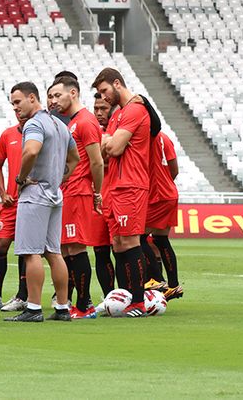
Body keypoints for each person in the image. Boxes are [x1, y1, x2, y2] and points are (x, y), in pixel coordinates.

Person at [4, 82, 79, 323]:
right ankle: (63, 307)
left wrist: (21, 178)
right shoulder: (59, 124)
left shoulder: (34, 123)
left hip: (35, 193)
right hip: (55, 193)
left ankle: (34, 307)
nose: (15, 108)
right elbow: (75, 158)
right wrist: (59, 177)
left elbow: (31, 151)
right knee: (54, 252)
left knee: (30, 252)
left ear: (32, 98)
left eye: (18, 102)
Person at [94, 68, 153, 317]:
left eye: (105, 91)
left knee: (130, 241)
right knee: (117, 244)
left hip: (131, 185)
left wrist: (110, 142)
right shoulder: (119, 115)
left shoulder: (135, 110)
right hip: (114, 186)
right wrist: (109, 143)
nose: (103, 97)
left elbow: (113, 148)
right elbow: (103, 148)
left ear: (117, 84)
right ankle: (125, 297)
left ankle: (139, 301)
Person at [48, 76, 105, 319]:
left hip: (79, 190)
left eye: (57, 95)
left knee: (76, 247)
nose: (53, 100)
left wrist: (97, 192)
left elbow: (97, 160)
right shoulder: (71, 122)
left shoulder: (85, 121)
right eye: (50, 96)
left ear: (73, 93)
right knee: (67, 249)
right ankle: (74, 302)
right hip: (68, 190)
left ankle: (84, 305)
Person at [0, 109, 29, 312]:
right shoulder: (8, 134)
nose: (19, 112)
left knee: (26, 247)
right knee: (1, 244)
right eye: (15, 108)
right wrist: (3, 192)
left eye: (20, 105)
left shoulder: (40, 133)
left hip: (32, 201)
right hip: (11, 203)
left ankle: (23, 295)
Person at [142, 129, 183, 300]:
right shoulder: (165, 138)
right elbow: (174, 170)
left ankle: (156, 279)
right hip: (169, 193)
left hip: (157, 196)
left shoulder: (144, 139)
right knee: (160, 238)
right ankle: (173, 286)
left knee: (136, 237)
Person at [92, 94, 116, 295]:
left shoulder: (123, 131)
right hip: (98, 199)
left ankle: (131, 294)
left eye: (104, 109)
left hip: (118, 197)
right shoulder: (93, 132)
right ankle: (109, 296)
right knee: (100, 251)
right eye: (96, 108)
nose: (99, 113)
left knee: (123, 249)